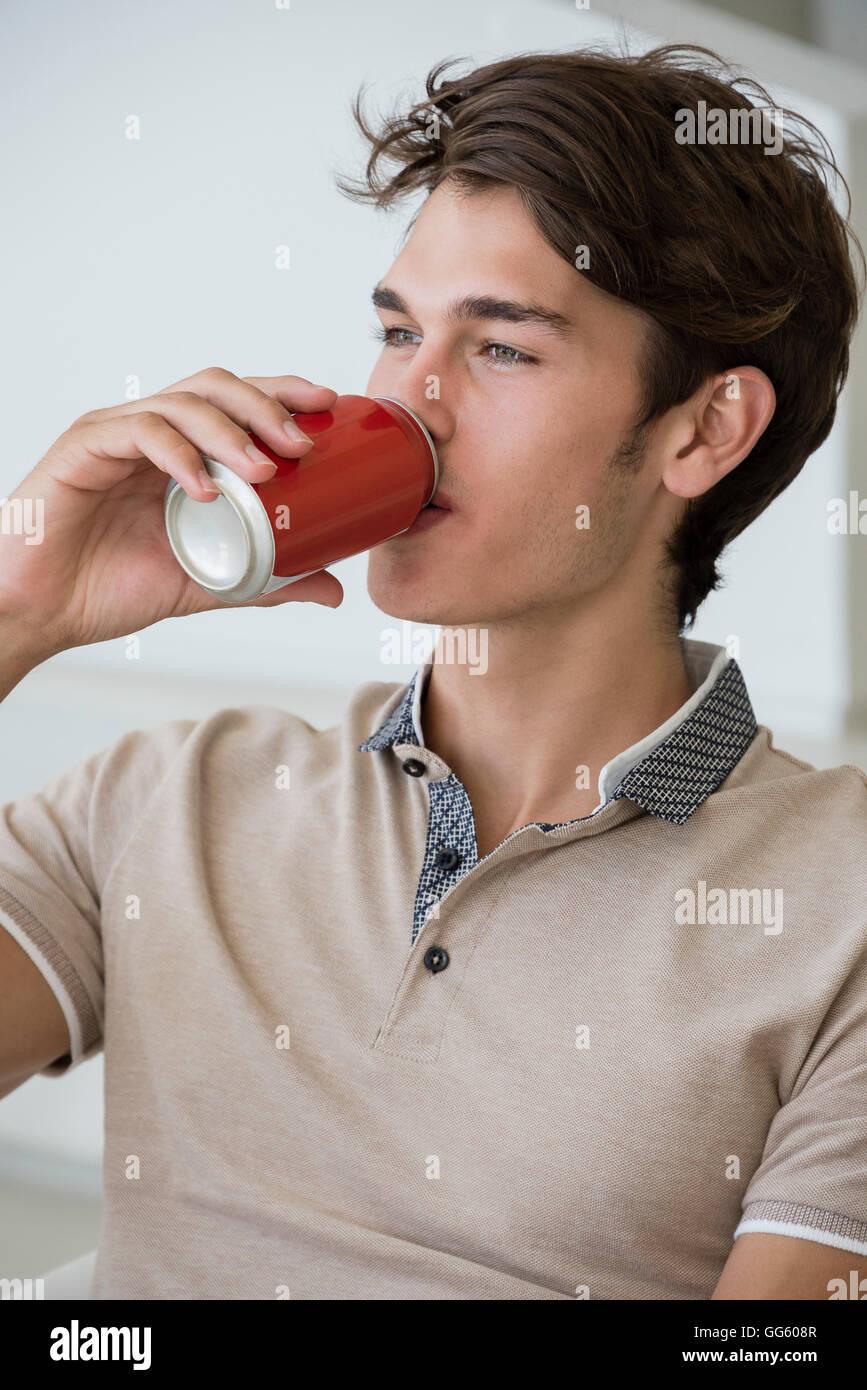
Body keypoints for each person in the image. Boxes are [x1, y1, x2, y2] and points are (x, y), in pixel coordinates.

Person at [0, 43, 865, 1301]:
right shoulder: (169, 797)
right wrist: (17, 611)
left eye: (501, 348)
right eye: (398, 332)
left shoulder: (837, 902)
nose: (411, 402)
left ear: (701, 429)